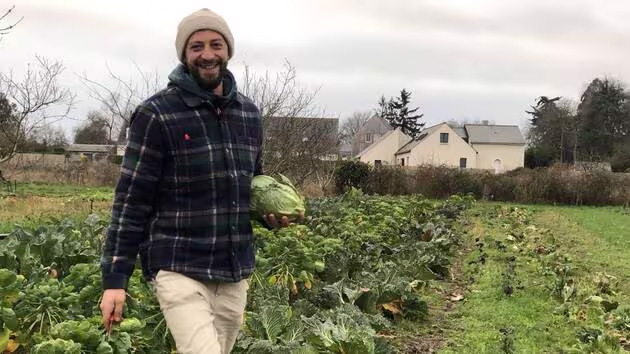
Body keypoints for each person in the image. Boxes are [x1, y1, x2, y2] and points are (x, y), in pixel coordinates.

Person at [99, 8, 297, 353]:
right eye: (196, 47)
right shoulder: (157, 114)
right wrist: (115, 280)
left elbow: (253, 185)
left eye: (216, 44)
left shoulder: (249, 113)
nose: (207, 54)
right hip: (179, 266)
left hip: (234, 270)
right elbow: (131, 201)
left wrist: (270, 216)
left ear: (228, 51)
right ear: (185, 56)